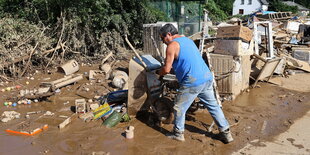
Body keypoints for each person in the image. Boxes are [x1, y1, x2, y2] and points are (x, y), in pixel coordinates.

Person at [157, 23, 233, 143]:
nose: (163, 41)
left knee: (178, 107)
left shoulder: (172, 46)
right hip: (206, 77)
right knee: (213, 106)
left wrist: (158, 72)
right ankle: (226, 133)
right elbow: (187, 59)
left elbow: (166, 69)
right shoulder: (188, 40)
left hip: (193, 81)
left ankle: (178, 133)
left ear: (169, 35)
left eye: (163, 38)